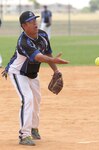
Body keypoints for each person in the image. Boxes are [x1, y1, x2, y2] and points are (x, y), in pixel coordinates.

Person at [2, 11, 68, 146]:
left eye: (35, 20)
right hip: (18, 73)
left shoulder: (43, 35)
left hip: (33, 74)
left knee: (37, 100)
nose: (35, 23)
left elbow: (47, 52)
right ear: (24, 26)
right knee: (27, 99)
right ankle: (24, 135)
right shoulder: (23, 41)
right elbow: (38, 57)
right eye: (31, 21)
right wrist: (53, 60)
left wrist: (56, 70)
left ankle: (33, 128)